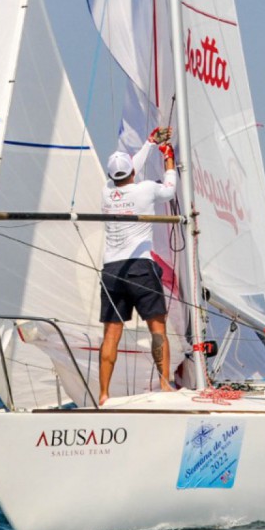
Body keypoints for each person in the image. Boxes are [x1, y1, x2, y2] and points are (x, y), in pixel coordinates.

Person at [98, 128, 177, 406]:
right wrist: (168, 159)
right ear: (132, 172)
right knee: (157, 328)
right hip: (141, 267)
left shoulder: (106, 193)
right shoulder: (145, 189)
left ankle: (104, 395)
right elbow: (169, 190)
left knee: (111, 333)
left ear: (111, 177)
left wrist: (149, 143)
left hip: (112, 270)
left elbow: (127, 173)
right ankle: (165, 386)